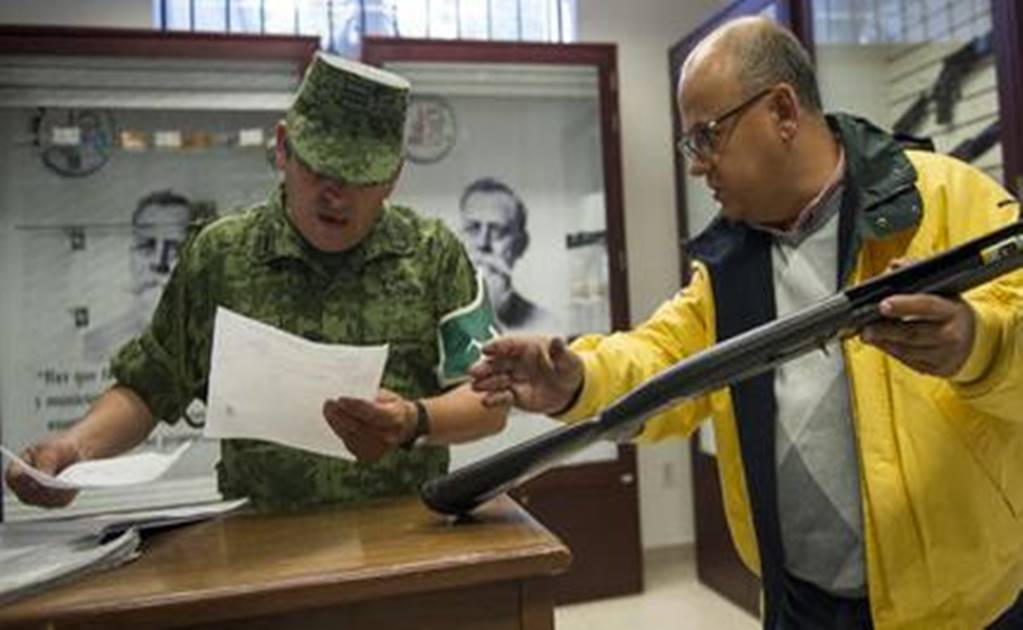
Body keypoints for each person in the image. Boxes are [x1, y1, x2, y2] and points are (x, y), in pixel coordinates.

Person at [470, 17, 1023, 630]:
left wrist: (978, 344)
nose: (697, 166)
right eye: (690, 145)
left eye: (706, 136)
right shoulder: (730, 264)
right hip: (798, 606)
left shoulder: (944, 198)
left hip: (964, 610)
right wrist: (577, 381)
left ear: (783, 111)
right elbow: (664, 359)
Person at [6, 52, 509, 513]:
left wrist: (413, 420)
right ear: (284, 148)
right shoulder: (222, 256)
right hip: (261, 541)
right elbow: (149, 387)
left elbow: (490, 400)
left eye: (360, 178)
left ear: (393, 176)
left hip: (400, 534)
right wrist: (75, 448)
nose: (336, 194)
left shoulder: (432, 254)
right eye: (320, 169)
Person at [81, 190, 193, 363]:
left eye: (175, 248)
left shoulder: (217, 340)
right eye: (147, 245)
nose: (159, 263)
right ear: (131, 254)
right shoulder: (97, 345)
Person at [459, 177, 560, 333]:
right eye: (473, 228)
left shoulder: (546, 327)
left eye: (497, 231)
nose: (482, 243)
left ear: (521, 245)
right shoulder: (430, 317)